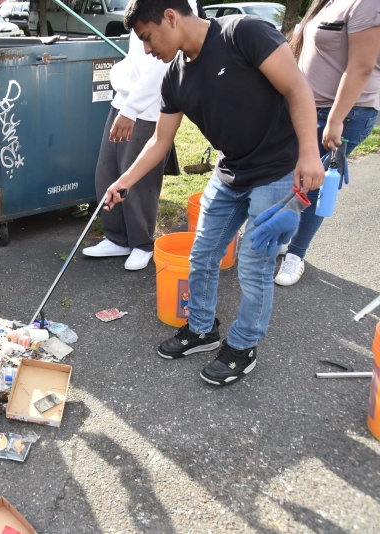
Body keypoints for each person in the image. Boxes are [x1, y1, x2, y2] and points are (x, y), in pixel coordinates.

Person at [103, 0, 324, 386]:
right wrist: (123, 181)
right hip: (230, 171)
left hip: (276, 169)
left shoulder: (243, 33)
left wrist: (309, 154)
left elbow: (296, 87)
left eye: (148, 38)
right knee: (202, 252)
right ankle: (203, 330)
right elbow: (159, 140)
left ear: (170, 17)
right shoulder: (173, 76)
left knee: (255, 264)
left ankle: (243, 347)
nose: (148, 49)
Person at [82, 0, 196, 271]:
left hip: (147, 106)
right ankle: (117, 238)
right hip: (125, 99)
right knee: (108, 171)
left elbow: (162, 66)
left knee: (138, 178)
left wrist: (133, 108)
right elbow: (139, 54)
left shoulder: (174, 10)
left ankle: (141, 243)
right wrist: (126, 102)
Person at [274, 0, 380, 286]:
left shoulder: (367, 3)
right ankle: (287, 240)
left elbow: (362, 66)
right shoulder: (329, 1)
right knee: (297, 180)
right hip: (308, 110)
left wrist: (335, 119)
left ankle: (296, 255)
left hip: (343, 115)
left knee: (317, 186)